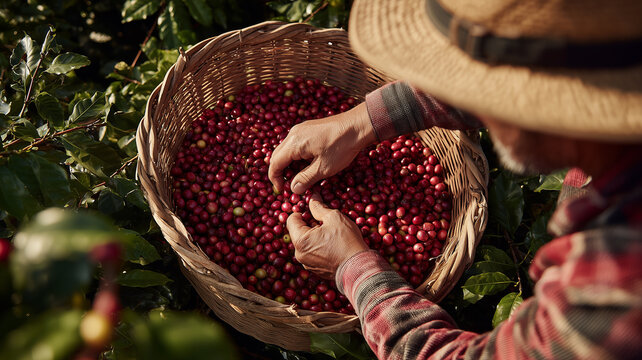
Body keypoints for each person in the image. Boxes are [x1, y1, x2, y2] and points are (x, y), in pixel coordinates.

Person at [267, 0, 642, 359]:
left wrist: (353, 267)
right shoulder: (610, 107)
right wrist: (359, 123)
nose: (472, 100)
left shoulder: (620, 284)